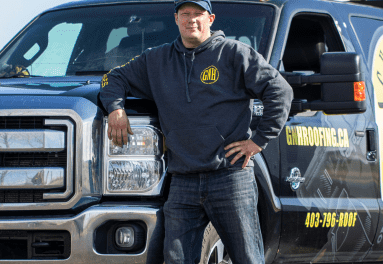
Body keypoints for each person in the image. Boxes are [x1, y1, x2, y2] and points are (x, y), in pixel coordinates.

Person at [99, 0, 293, 263]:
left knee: (247, 258)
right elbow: (114, 77)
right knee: (177, 259)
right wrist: (115, 109)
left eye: (198, 14)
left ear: (210, 19)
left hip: (230, 177)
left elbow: (280, 90)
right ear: (176, 19)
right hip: (182, 182)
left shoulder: (234, 53)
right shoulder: (156, 59)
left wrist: (258, 140)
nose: (191, 19)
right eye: (185, 14)